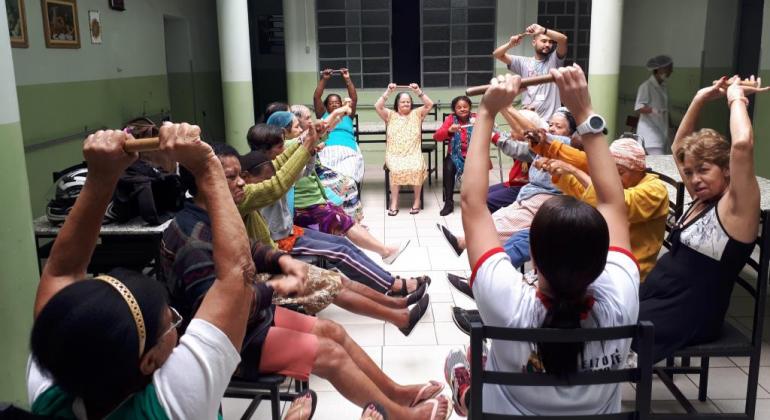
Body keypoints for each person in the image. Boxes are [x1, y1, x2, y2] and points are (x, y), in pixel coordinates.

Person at [166, 141, 451, 419]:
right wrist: (277, 286)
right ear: (205, 182)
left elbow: (247, 247)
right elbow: (217, 315)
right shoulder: (194, 238)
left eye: (241, 174)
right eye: (231, 177)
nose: (242, 182)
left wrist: (281, 260)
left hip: (252, 320)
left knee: (333, 332)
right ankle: (403, 416)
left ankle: (397, 393)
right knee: (330, 354)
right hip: (232, 343)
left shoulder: (216, 215)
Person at [28, 124, 259, 418]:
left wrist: (101, 176)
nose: (176, 324)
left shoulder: (50, 391)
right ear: (149, 361)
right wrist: (206, 164)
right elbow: (238, 275)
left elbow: (61, 272)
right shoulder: (174, 403)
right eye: (172, 322)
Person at [445, 67, 639, 417]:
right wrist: (585, 112)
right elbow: (613, 202)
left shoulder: (508, 302)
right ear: (602, 259)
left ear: (532, 256)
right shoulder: (621, 296)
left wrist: (487, 111)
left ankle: (467, 392)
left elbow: (472, 204)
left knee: (468, 364)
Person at [636, 76, 767, 361]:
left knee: (604, 334)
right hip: (661, 297)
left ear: (727, 170)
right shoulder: (704, 198)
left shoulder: (735, 208)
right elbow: (678, 147)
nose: (694, 179)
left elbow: (742, 144)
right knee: (595, 310)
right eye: (691, 171)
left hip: (689, 313)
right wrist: (699, 98)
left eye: (704, 170)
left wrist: (736, 97)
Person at [437, 106, 572, 256]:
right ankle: (469, 246)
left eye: (558, 126)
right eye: (551, 124)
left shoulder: (565, 145)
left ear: (571, 133)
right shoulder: (541, 147)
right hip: (529, 193)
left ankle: (471, 248)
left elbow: (531, 135)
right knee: (496, 216)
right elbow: (514, 145)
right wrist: (494, 131)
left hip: (542, 197)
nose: (552, 128)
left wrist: (503, 106)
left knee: (497, 216)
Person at [532, 136, 669, 280]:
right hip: (604, 254)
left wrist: (574, 170)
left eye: (620, 172)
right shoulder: (622, 185)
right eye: (611, 173)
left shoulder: (656, 190)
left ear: (639, 169)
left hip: (630, 268)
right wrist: (560, 174)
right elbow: (586, 192)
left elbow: (617, 203)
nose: (614, 178)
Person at [433, 96, 500, 216]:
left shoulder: (477, 118)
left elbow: (492, 131)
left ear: (469, 107)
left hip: (475, 155)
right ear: (454, 109)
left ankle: (477, 203)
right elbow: (437, 137)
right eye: (459, 107)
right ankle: (449, 203)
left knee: (479, 170)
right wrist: (449, 131)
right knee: (447, 166)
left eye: (465, 106)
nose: (462, 109)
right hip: (455, 155)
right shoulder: (450, 119)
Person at [375, 83, 434, 215]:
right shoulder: (390, 115)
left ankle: (416, 201)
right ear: (397, 104)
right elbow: (377, 106)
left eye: (408, 101)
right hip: (394, 154)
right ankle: (394, 202)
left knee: (417, 168)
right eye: (403, 102)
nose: (406, 104)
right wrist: (388, 91)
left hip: (413, 153)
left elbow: (430, 104)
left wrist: (418, 91)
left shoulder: (417, 114)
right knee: (396, 170)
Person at [492, 23, 569, 120]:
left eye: (550, 42)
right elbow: (497, 54)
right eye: (544, 41)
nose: (547, 45)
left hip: (550, 120)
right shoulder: (523, 62)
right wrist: (510, 44)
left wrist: (543, 30)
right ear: (534, 42)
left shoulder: (554, 60)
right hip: (529, 118)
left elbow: (563, 40)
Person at [313, 68, 365, 184]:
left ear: (342, 104)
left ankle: (346, 196)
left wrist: (347, 78)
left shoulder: (347, 114)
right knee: (325, 177)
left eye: (337, 102)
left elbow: (354, 98)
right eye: (331, 103)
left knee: (348, 175)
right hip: (327, 150)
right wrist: (324, 79)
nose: (335, 105)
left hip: (348, 150)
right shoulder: (323, 114)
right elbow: (316, 97)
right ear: (326, 106)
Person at [635, 55, 674, 155]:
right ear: (660, 69)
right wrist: (653, 110)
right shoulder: (646, 86)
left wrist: (671, 128)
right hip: (650, 135)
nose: (671, 71)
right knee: (658, 164)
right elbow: (639, 107)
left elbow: (664, 108)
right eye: (669, 68)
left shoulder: (663, 87)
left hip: (661, 133)